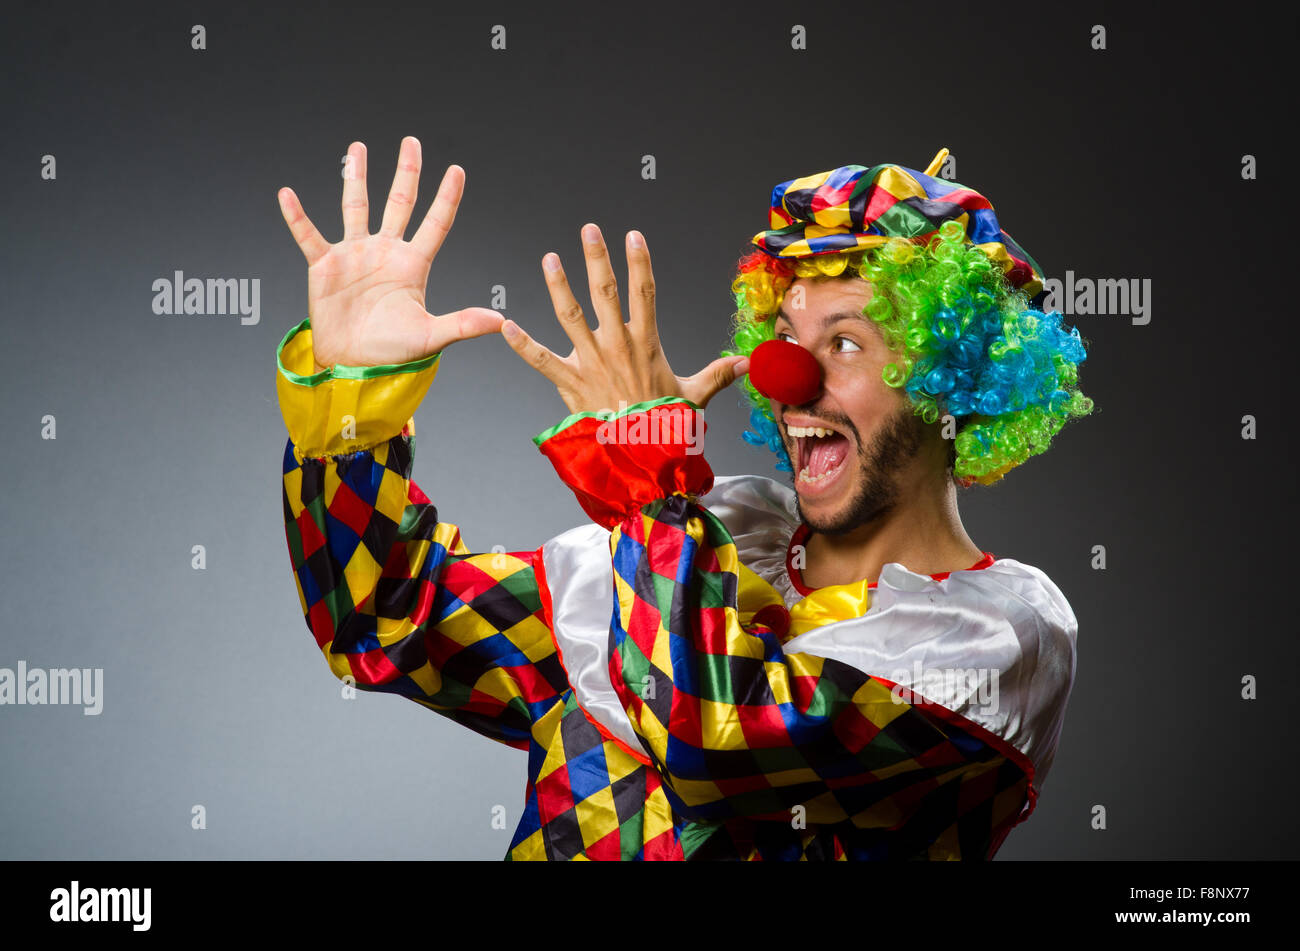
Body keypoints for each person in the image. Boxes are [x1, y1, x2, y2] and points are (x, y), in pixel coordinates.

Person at [274, 137, 1092, 860]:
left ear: (959, 382)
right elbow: (388, 617)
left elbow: (711, 740)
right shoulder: (720, 533)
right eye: (785, 339)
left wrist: (649, 481)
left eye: (844, 342)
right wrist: (354, 405)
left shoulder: (998, 641)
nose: (789, 380)